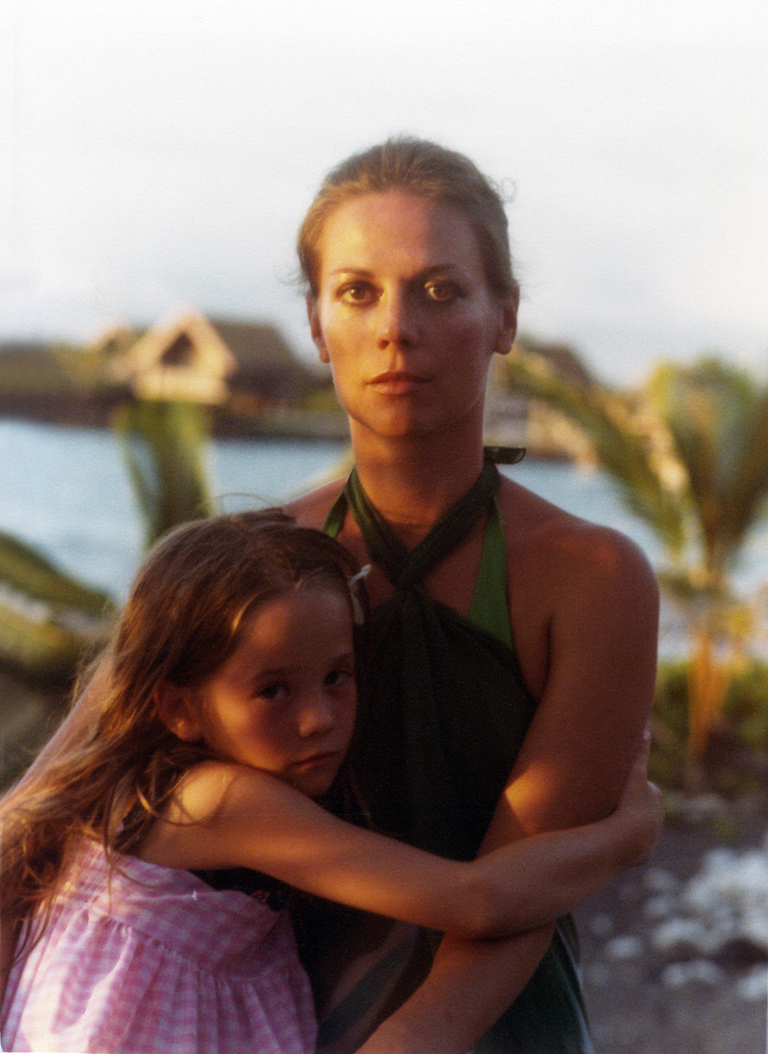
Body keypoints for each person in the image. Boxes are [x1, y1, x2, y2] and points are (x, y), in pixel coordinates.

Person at [0, 511, 661, 1054]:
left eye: (338, 677)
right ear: (178, 708)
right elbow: (475, 901)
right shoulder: (223, 800)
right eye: (273, 690)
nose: (318, 720)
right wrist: (622, 838)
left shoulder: (140, 792)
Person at [284, 137, 661, 1053]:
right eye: (357, 290)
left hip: (503, 1027)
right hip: (265, 1017)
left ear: (505, 317)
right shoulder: (252, 561)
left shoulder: (593, 576)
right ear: (315, 324)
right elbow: (81, 795)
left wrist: (408, 1042)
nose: (395, 328)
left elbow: (520, 886)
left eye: (440, 290)